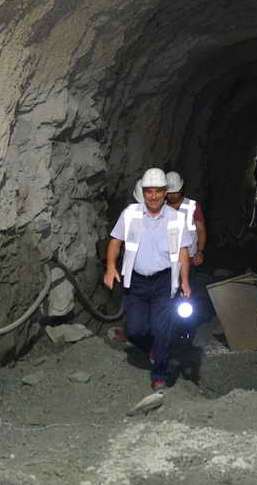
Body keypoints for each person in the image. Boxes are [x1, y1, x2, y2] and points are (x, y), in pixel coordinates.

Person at [104, 168, 193, 392]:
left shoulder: (176, 218)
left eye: (158, 191)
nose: (153, 196)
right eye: (149, 191)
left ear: (165, 192)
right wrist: (110, 267)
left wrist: (184, 281)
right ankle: (152, 349)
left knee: (162, 329)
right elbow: (115, 241)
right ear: (143, 192)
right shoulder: (130, 214)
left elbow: (183, 251)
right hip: (137, 282)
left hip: (164, 281)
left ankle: (159, 375)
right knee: (135, 329)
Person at [165, 171, 206, 267]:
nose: (172, 195)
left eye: (176, 192)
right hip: (166, 260)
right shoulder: (160, 208)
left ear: (181, 189)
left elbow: (201, 231)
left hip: (190, 258)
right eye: (169, 193)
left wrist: (200, 252)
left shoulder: (192, 206)